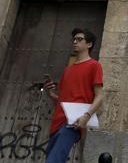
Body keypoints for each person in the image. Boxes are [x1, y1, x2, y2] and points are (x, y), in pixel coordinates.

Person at [41, 27, 104, 163]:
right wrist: (51, 94)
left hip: (73, 123)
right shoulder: (68, 70)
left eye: (79, 39)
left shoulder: (94, 66)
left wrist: (86, 117)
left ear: (89, 44)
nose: (75, 42)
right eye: (74, 39)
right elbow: (64, 101)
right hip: (56, 124)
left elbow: (100, 96)